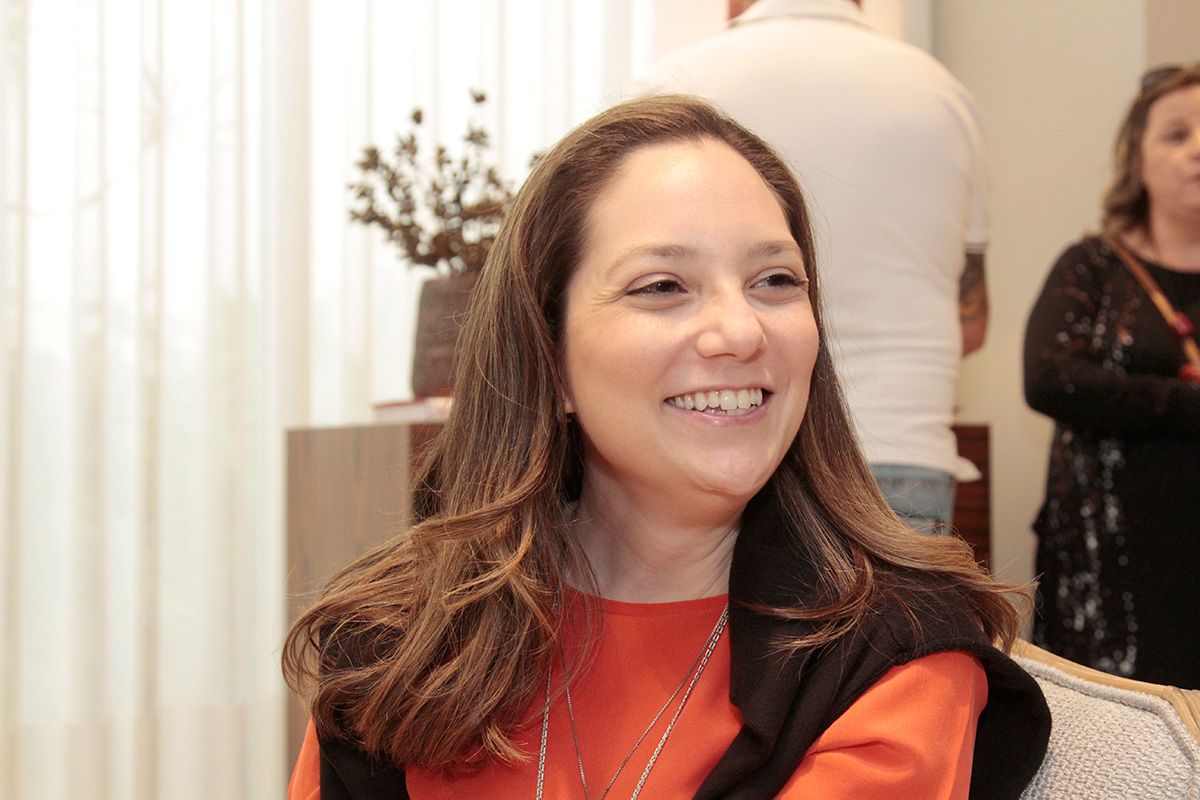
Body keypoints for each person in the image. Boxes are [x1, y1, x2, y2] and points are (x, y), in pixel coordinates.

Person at [284, 95, 1048, 799]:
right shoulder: (395, 643)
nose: (741, 331)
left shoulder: (897, 655)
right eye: (662, 287)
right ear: (550, 359)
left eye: (776, 281)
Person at [634, 0, 991, 533]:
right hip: (903, 442)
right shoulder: (942, 96)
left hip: (718, 435)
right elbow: (972, 324)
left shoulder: (669, 91)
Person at [1024, 63, 1200, 687]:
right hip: (1108, 568)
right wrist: (1186, 405)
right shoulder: (1093, 266)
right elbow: (1050, 377)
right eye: (1176, 134)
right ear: (1138, 160)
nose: (1198, 149)